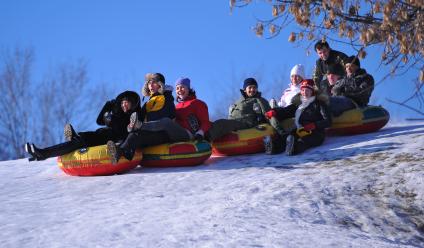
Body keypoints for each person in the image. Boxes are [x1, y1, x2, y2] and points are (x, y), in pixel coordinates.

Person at [107, 76, 212, 164]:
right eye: (178, 88)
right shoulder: (178, 106)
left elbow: (205, 122)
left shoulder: (198, 103)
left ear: (189, 88)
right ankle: (119, 152)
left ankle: (140, 125)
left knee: (166, 121)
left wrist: (200, 133)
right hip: (172, 134)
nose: (180, 90)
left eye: (182, 87)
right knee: (136, 134)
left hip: (188, 134)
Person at [24, 90, 141, 161]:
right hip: (101, 136)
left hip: (114, 141)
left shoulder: (134, 116)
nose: (124, 105)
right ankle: (42, 153)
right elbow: (99, 121)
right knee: (80, 141)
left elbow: (129, 131)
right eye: (122, 103)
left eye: (127, 103)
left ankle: (73, 138)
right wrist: (107, 106)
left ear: (132, 104)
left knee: (82, 141)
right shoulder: (116, 115)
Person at [264, 79, 332, 156]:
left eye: (307, 90)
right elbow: (287, 110)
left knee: (301, 141)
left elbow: (328, 121)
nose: (305, 92)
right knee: (289, 137)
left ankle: (293, 149)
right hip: (301, 130)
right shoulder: (298, 103)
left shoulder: (319, 104)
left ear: (312, 91)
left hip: (316, 133)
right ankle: (273, 148)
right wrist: (275, 112)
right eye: (303, 90)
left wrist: (314, 125)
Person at [206, 77, 271, 141]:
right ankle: (203, 137)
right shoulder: (238, 102)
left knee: (221, 123)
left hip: (246, 123)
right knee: (212, 124)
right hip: (234, 123)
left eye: (254, 87)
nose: (252, 90)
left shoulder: (259, 100)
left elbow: (268, 114)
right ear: (245, 89)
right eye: (250, 87)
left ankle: (206, 140)